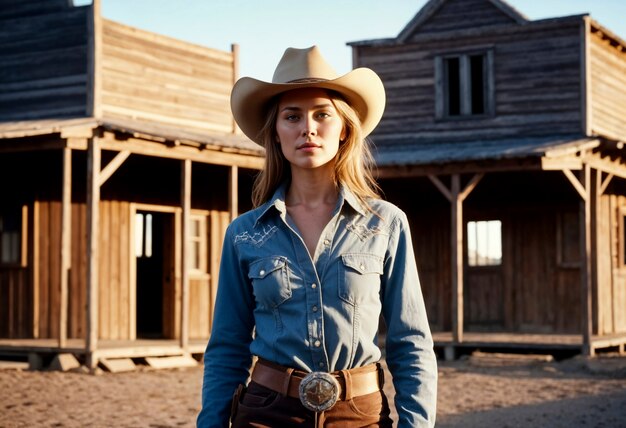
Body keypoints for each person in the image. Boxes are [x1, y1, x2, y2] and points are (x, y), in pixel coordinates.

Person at [197, 46, 437, 427]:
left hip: (358, 415)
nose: (307, 128)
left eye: (322, 114)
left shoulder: (385, 224)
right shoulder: (245, 234)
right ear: (275, 133)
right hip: (265, 413)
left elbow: (411, 344)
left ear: (343, 128)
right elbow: (227, 347)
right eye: (291, 116)